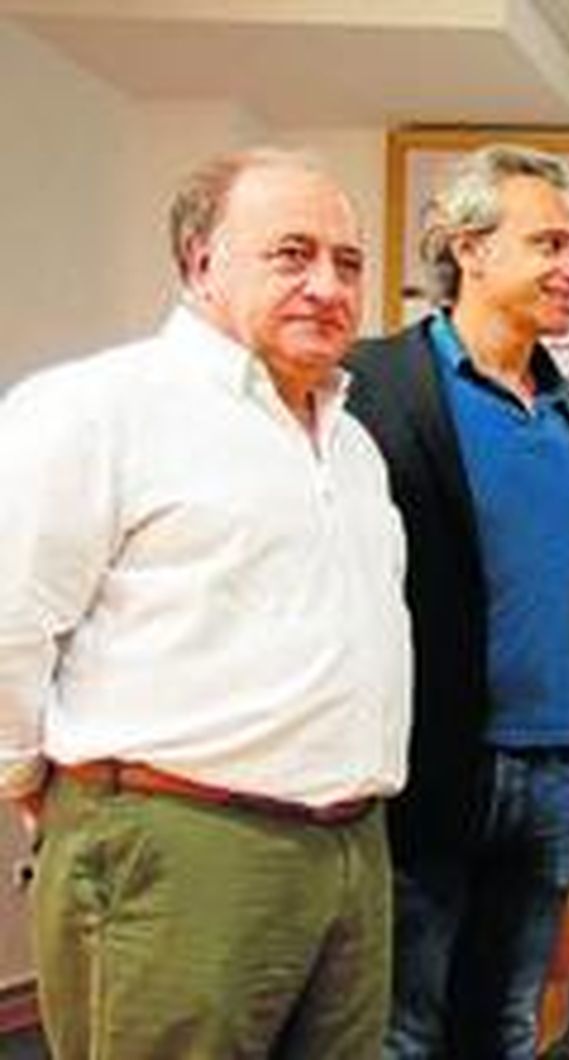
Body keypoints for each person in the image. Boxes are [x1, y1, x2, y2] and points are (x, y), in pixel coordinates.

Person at [0, 147, 411, 1059]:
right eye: (291, 254)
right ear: (198, 263)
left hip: (349, 850)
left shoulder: (351, 444)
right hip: (179, 846)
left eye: (347, 263)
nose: (326, 285)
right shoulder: (99, 408)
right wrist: (30, 779)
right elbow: (9, 621)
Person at [346, 143, 569, 1059]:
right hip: (429, 768)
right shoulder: (372, 387)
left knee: (505, 1028)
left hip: (549, 777)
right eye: (551, 245)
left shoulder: (566, 406)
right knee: (403, 1030)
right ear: (469, 248)